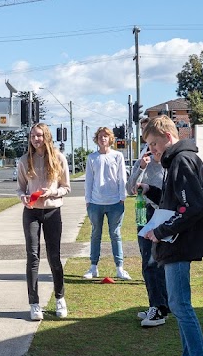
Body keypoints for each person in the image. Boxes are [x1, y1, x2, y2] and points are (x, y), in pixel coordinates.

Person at [140, 115, 203, 356]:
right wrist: (151, 190)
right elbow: (176, 202)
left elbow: (193, 207)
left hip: (179, 245)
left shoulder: (182, 160)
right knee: (179, 305)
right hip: (176, 244)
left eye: (154, 145)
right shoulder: (177, 161)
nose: (152, 152)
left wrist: (160, 232)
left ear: (168, 138)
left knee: (181, 307)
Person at [16, 123, 72, 322]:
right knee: (32, 257)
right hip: (31, 212)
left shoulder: (58, 158)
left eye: (39, 135)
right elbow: (20, 188)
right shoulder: (24, 160)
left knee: (54, 256)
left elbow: (66, 187)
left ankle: (60, 298)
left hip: (52, 211)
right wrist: (23, 196)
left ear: (46, 137)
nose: (35, 139)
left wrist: (53, 192)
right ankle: (34, 303)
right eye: (32, 136)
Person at [126, 133, 170, 327]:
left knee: (156, 262)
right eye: (147, 143)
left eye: (153, 142)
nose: (150, 147)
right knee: (148, 261)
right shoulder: (143, 160)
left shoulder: (167, 161)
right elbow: (130, 188)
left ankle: (160, 308)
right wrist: (141, 168)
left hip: (161, 213)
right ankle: (156, 305)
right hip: (143, 213)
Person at [83, 126, 131, 280]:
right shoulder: (92, 158)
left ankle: (120, 268)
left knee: (115, 234)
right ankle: (93, 267)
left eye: (105, 136)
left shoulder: (117, 156)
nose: (102, 138)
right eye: (100, 136)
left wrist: (122, 197)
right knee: (95, 234)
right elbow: (89, 180)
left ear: (110, 139)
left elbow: (122, 177)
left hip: (115, 202)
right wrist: (88, 200)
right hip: (96, 202)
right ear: (96, 139)